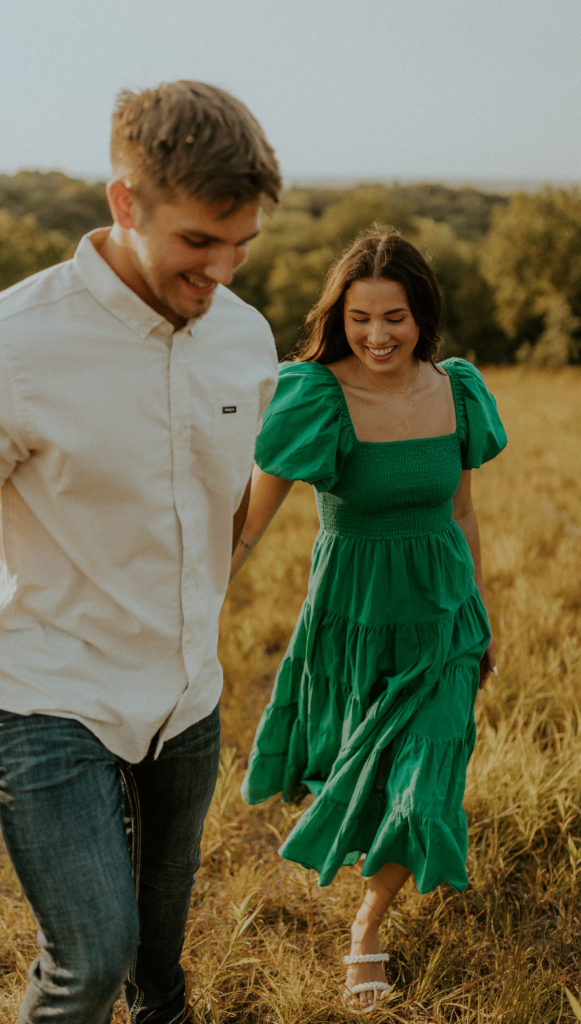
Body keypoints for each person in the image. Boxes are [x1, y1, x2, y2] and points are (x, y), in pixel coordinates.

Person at [0, 81, 281, 1024]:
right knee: (91, 957)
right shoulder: (17, 345)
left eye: (240, 245)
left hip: (186, 695)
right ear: (124, 203)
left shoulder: (245, 337)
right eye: (199, 244)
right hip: (46, 691)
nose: (222, 273)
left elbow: (234, 496)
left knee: (158, 961)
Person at [230, 227, 508, 1012]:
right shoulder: (314, 394)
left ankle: (366, 927)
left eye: (394, 317)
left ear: (421, 314)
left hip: (445, 621)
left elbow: (461, 511)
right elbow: (249, 525)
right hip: (351, 622)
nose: (377, 335)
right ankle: (367, 894)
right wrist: (190, 603)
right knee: (369, 779)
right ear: (338, 318)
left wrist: (479, 613)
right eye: (359, 319)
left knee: (424, 792)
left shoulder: (455, 390)